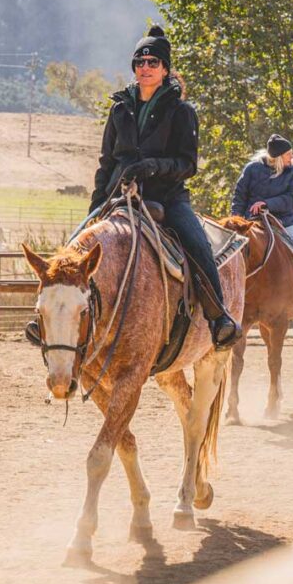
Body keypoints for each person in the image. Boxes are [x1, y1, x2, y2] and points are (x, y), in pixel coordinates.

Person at [88, 26, 238, 348]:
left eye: (153, 62)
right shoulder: (119, 110)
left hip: (167, 198)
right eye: (140, 62)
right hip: (119, 195)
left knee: (196, 244)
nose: (145, 67)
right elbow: (106, 164)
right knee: (76, 247)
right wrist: (95, 207)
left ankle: (219, 318)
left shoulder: (182, 112)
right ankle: (56, 319)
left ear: (165, 69)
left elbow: (188, 165)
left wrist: (154, 166)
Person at [230, 135, 293, 306]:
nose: (292, 157)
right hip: (251, 221)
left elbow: (291, 199)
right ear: (279, 157)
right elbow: (239, 196)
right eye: (289, 154)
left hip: (284, 221)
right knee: (227, 252)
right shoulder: (252, 169)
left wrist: (266, 204)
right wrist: (237, 219)